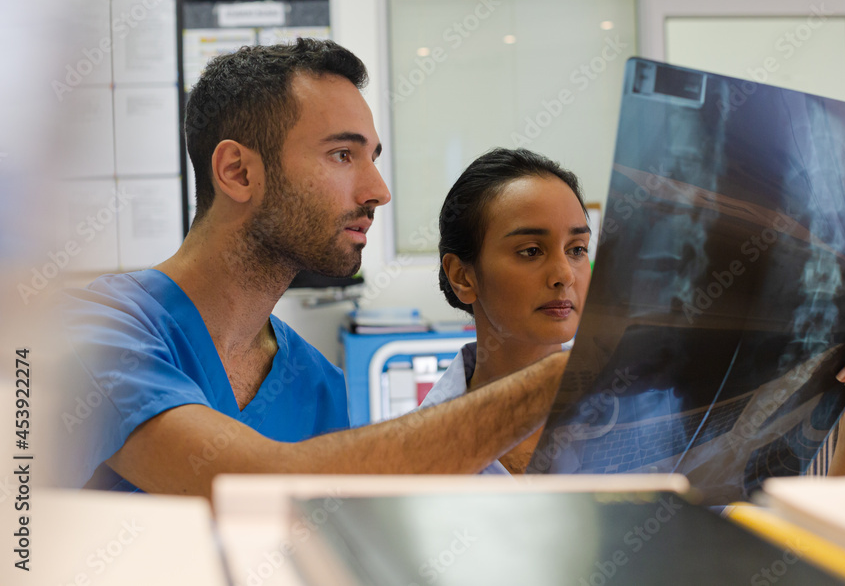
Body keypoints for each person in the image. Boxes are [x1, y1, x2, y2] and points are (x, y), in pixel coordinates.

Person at [55, 39, 568, 497]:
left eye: (372, 158)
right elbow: (254, 482)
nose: (377, 192)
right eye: (342, 154)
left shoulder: (316, 382)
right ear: (237, 172)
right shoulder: (100, 333)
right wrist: (566, 376)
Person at [421, 148, 845, 477]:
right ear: (464, 275)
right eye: (530, 251)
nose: (564, 274)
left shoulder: (657, 410)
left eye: (577, 249)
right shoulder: (413, 451)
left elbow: (787, 558)